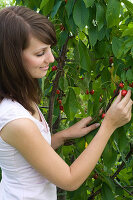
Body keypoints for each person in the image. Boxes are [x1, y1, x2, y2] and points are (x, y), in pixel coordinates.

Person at [0, 5, 132, 200]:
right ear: (12, 59)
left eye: (50, 49)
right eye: (40, 53)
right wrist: (109, 125)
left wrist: (62, 136)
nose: (52, 58)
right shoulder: (15, 120)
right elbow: (69, 180)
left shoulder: (21, 95)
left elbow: (29, 153)